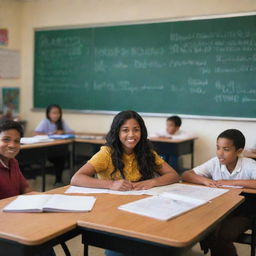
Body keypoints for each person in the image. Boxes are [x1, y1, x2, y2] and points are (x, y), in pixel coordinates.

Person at [71, 110, 180, 256]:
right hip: (112, 213)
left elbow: (173, 175)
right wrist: (111, 184)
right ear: (117, 132)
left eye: (136, 130)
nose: (131, 135)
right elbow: (77, 178)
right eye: (125, 130)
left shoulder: (146, 152)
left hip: (141, 210)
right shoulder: (107, 154)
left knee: (160, 245)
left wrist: (153, 181)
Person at [182, 129, 256, 256]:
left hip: (243, 213)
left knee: (222, 236)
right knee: (204, 228)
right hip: (219, 210)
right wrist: (205, 180)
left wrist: (231, 182)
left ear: (239, 151)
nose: (220, 153)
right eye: (218, 148)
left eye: (226, 149)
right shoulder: (215, 162)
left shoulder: (249, 164)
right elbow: (186, 174)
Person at [0, 119, 55, 256]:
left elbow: (26, 189)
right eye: (6, 139)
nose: (12, 145)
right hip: (5, 229)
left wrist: (44, 202)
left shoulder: (13, 162)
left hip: (16, 220)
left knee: (44, 241)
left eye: (17, 141)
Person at [35, 104, 74, 185]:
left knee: (63, 156)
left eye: (58, 113)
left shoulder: (61, 122)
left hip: (59, 148)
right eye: (54, 113)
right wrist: (50, 134)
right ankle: (58, 180)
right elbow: (37, 133)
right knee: (60, 158)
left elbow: (71, 132)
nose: (56, 115)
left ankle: (60, 180)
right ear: (48, 114)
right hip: (47, 149)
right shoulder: (45, 122)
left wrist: (63, 132)